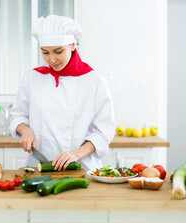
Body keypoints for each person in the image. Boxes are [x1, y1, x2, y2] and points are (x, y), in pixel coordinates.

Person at [9, 15, 115, 171]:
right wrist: (25, 130)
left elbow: (103, 133)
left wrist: (75, 155)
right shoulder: (32, 78)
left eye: (58, 51)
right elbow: (17, 116)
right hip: (38, 169)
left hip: (82, 169)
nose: (52, 60)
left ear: (72, 45)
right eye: (45, 52)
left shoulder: (94, 82)